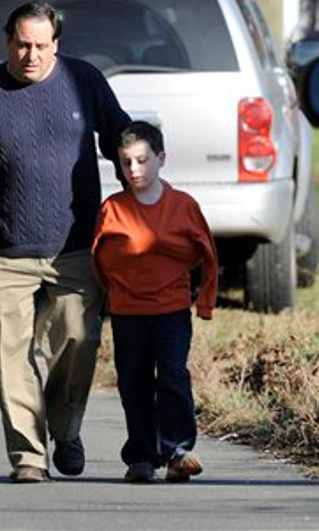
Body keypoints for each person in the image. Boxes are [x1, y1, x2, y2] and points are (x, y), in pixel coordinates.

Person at [0, 1, 130, 482]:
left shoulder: (82, 81)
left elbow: (121, 141)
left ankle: (65, 430)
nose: (31, 55)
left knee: (76, 341)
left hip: (75, 245)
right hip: (3, 250)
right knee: (8, 354)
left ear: (56, 45)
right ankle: (27, 454)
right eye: (22, 44)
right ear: (7, 42)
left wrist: (150, 202)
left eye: (41, 46)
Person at [92, 121, 218, 484]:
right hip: (128, 312)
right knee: (134, 382)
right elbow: (98, 260)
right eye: (126, 162)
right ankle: (142, 456)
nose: (134, 170)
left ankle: (177, 451)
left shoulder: (183, 206)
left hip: (172, 310)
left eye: (143, 160)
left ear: (161, 159)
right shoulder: (112, 209)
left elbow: (208, 255)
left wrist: (205, 303)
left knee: (173, 375)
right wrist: (103, 302)